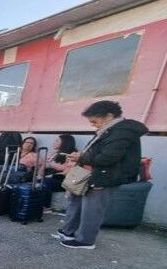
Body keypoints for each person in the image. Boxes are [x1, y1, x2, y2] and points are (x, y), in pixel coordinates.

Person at [54, 100, 148, 249]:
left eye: (94, 121)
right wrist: (81, 156)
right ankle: (68, 232)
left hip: (104, 175)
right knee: (76, 202)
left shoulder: (122, 131)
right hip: (90, 173)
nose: (93, 124)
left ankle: (85, 240)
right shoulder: (109, 130)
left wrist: (81, 157)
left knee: (92, 209)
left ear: (109, 116)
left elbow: (108, 158)